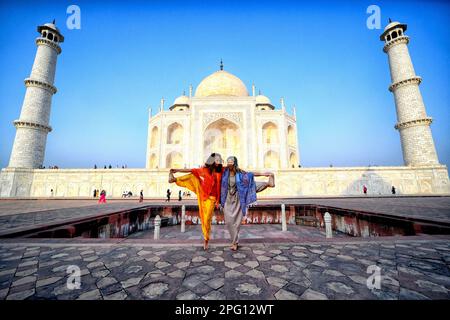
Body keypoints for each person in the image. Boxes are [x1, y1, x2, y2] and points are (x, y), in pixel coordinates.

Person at [169, 153, 223, 250]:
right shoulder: (203, 170)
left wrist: (218, 200)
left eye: (220, 160)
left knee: (207, 218)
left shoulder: (221, 171)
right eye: (217, 160)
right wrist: (177, 170)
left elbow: (234, 170)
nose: (219, 162)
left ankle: (206, 238)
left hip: (212, 199)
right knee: (192, 177)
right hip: (203, 196)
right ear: (212, 161)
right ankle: (175, 179)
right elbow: (191, 170)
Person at [220, 156, 275, 251]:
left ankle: (234, 242)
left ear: (235, 163)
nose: (229, 163)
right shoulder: (224, 173)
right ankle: (269, 184)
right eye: (228, 162)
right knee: (229, 222)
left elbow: (250, 175)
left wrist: (264, 174)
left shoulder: (240, 173)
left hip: (239, 197)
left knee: (236, 222)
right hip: (227, 198)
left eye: (231, 162)